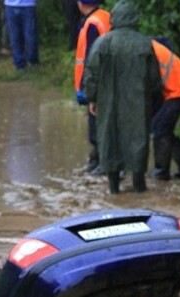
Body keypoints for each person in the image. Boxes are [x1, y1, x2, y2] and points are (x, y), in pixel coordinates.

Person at [83, 0, 162, 194]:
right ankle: (138, 186)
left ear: (114, 19)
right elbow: (154, 79)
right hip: (138, 103)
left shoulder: (102, 43)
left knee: (109, 137)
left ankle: (113, 188)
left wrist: (91, 98)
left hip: (108, 102)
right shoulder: (145, 43)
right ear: (135, 19)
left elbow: (91, 74)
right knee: (138, 138)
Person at [149, 37, 180, 181]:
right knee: (164, 129)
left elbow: (151, 83)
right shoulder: (148, 45)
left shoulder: (146, 50)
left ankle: (161, 171)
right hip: (179, 87)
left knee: (160, 128)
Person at [74, 0, 110, 175]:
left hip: (98, 84)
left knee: (97, 125)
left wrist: (89, 92)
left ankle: (104, 164)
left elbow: (91, 61)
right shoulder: (104, 16)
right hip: (108, 80)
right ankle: (96, 161)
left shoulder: (92, 24)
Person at [4, 0, 39, 70]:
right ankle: (19, 64)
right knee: (15, 37)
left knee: (30, 36)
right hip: (10, 6)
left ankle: (33, 61)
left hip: (28, 6)